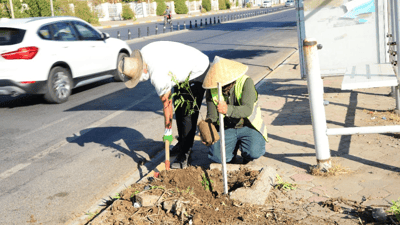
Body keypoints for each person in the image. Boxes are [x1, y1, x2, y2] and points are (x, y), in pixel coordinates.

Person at [118, 41, 210, 169]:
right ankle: (182, 144)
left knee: (188, 114)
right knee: (179, 110)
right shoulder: (144, 53)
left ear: (143, 69)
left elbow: (167, 105)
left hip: (197, 70)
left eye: (138, 76)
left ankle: (185, 153)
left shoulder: (158, 75)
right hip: (182, 70)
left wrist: (168, 131)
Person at [200, 56, 268, 164]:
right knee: (218, 158)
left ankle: (246, 155)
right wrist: (207, 129)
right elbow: (212, 116)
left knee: (254, 152)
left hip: (247, 125)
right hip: (227, 128)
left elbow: (247, 110)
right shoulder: (212, 88)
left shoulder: (246, 82)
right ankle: (232, 153)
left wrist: (227, 109)